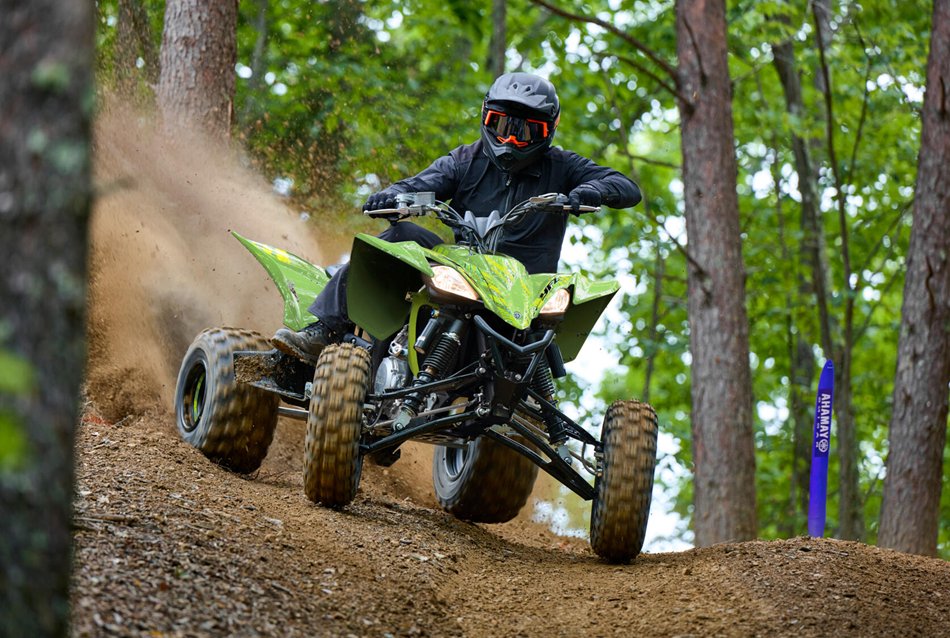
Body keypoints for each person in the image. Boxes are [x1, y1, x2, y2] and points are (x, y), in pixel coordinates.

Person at [272, 72, 641, 361]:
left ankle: (533, 403)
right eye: (502, 125)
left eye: (527, 131)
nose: (511, 140)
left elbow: (625, 186)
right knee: (402, 238)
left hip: (524, 290)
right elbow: (424, 183)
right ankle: (323, 330)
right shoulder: (466, 159)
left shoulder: (562, 166)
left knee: (563, 308)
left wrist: (591, 192)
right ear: (485, 117)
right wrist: (395, 197)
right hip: (464, 275)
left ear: (549, 131)